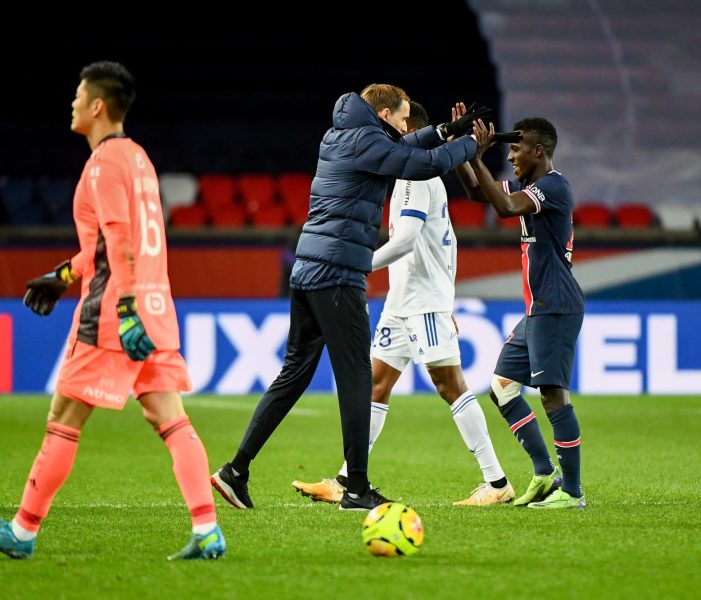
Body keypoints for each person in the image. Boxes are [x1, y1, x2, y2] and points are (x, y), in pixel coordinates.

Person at [211, 85, 490, 512]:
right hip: (338, 274)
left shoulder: (340, 135)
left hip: (307, 269)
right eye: (399, 119)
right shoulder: (369, 142)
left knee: (294, 374)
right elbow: (420, 162)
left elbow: (409, 144)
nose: (402, 126)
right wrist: (469, 145)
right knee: (359, 380)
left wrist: (444, 130)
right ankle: (356, 488)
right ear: (382, 113)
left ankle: (235, 471)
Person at [1, 61, 225, 560]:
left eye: (78, 96)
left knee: (63, 417)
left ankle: (22, 530)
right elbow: (111, 244)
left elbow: (119, 239)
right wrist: (62, 277)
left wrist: (122, 310)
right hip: (155, 304)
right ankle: (207, 529)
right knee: (171, 418)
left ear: (98, 105)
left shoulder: (101, 165)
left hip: (113, 312)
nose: (73, 104)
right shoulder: (140, 159)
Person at [291, 101, 514, 506]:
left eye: (396, 125)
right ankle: (346, 479)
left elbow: (408, 239)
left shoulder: (416, 177)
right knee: (376, 385)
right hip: (403, 299)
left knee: (450, 385)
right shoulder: (410, 174)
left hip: (422, 301)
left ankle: (497, 484)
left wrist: (361, 266)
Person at [455, 116, 586, 509]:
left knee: (553, 397)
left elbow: (506, 207)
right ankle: (545, 473)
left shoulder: (553, 186)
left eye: (516, 149)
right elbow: (481, 194)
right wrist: (466, 152)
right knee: (502, 387)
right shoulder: (531, 185)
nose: (510, 156)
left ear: (538, 150)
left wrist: (479, 155)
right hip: (538, 309)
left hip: (556, 305)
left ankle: (573, 491)